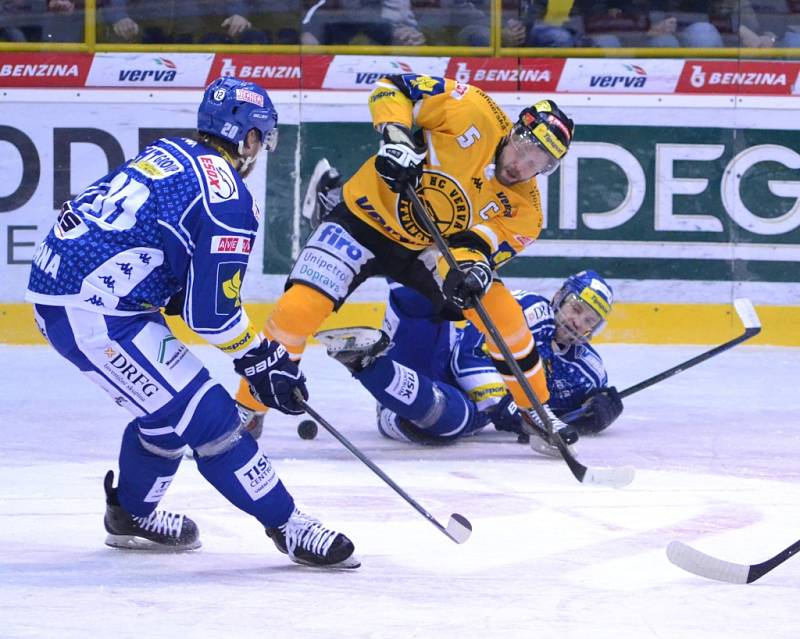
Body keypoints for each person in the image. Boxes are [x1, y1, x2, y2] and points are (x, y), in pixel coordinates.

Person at [25, 77, 358, 569]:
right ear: (247, 138)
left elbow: (171, 265)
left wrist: (253, 354)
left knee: (167, 413)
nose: (260, 149)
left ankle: (130, 516)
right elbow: (211, 315)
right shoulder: (227, 200)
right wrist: (262, 358)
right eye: (261, 138)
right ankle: (288, 525)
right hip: (92, 311)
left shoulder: (170, 151)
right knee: (210, 417)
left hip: (76, 291)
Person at [235, 73, 577, 452]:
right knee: (297, 310)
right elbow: (392, 87)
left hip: (429, 249)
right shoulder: (471, 109)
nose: (522, 164)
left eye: (539, 162)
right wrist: (396, 136)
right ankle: (249, 408)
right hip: (365, 219)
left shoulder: (526, 212)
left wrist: (473, 271)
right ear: (513, 130)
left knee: (500, 313)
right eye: (525, 147)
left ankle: (535, 410)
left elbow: (474, 247)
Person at [316, 272, 623, 448]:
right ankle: (358, 235)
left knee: (452, 420)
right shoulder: (527, 312)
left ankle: (365, 363)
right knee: (426, 297)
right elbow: (468, 357)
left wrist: (594, 414)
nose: (578, 322)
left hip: (437, 408)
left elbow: (553, 412)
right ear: (559, 297)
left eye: (590, 320)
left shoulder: (588, 371)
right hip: (439, 354)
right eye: (576, 309)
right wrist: (502, 405)